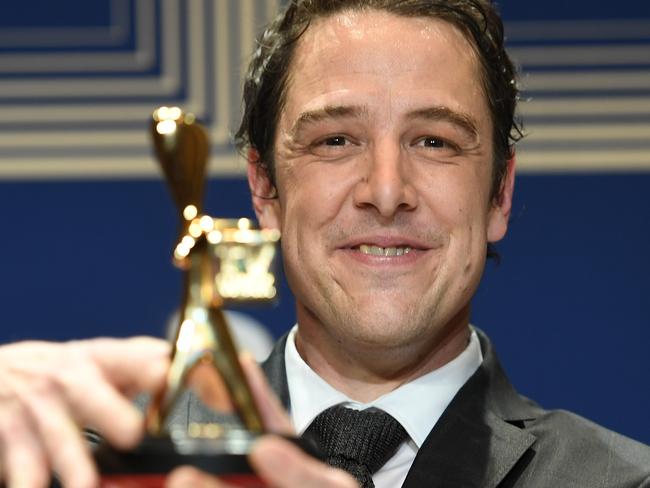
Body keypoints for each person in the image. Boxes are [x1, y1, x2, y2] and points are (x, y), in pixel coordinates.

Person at [1, 1, 649, 487]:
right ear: (264, 187)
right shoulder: (91, 467)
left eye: (435, 142)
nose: (387, 190)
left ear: (499, 195)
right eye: (336, 140)